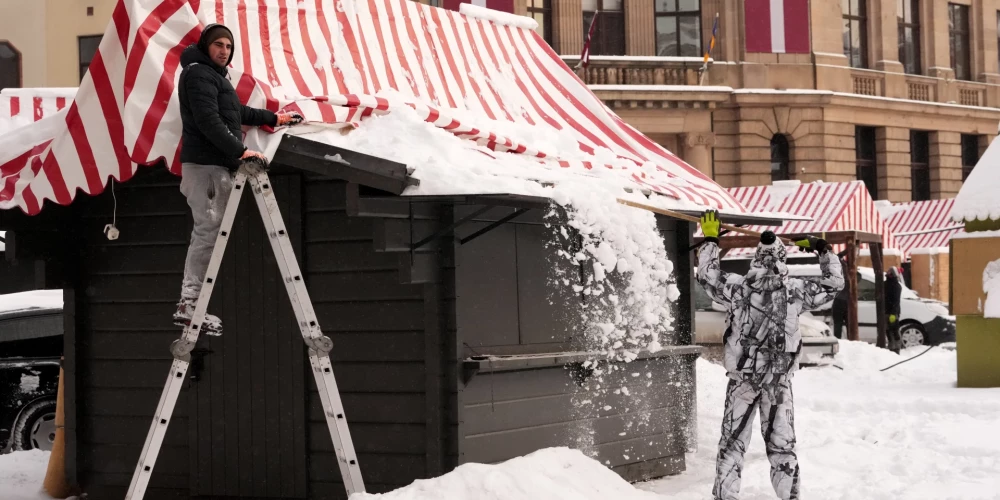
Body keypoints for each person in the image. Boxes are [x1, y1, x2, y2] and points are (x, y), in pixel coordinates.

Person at [696, 211, 844, 500]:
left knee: (732, 445)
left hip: (743, 382)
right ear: (782, 260)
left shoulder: (738, 288)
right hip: (778, 384)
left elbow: (706, 275)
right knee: (782, 447)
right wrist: (821, 249)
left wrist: (711, 239)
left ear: (756, 260)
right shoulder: (795, 292)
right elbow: (834, 283)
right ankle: (789, 496)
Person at [172, 23, 302, 335]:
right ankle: (189, 304)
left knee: (211, 232)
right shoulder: (198, 74)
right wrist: (241, 151)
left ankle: (192, 304)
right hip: (207, 167)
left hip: (214, 167)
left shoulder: (215, 77)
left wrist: (273, 118)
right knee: (208, 232)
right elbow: (209, 121)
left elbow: (234, 114)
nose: (223, 51)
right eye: (218, 44)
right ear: (206, 47)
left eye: (228, 47)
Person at [831, 253, 850, 339]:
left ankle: (839, 340)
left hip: (839, 300)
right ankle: (850, 341)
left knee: (838, 325)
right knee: (847, 325)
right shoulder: (846, 272)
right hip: (844, 301)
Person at [885, 266, 903, 353]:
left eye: (889, 272)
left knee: (894, 330)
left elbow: (896, 301)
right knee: (888, 331)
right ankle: (891, 347)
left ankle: (896, 348)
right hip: (886, 311)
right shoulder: (885, 284)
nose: (887, 273)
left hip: (892, 313)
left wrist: (893, 313)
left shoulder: (896, 286)